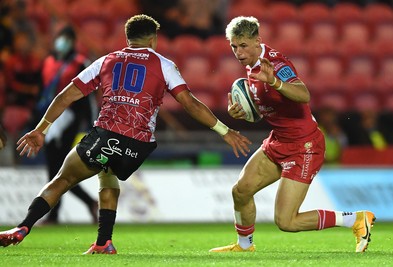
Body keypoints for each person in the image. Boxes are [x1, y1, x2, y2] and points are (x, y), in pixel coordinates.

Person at [0, 14, 251, 254]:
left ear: (127, 37)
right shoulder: (164, 64)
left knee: (61, 180)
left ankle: (23, 226)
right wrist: (224, 131)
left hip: (106, 135)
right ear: (153, 39)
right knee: (107, 173)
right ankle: (104, 242)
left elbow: (66, 95)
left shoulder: (106, 61)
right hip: (139, 146)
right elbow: (191, 103)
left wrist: (40, 129)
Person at [208, 16, 375, 253]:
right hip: (279, 141)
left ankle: (356, 219)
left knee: (286, 222)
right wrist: (241, 113)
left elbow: (303, 94)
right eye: (234, 46)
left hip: (304, 145)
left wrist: (275, 82)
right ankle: (245, 246)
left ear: (258, 41)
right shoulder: (251, 65)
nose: (238, 52)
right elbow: (269, 108)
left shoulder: (276, 64)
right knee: (241, 190)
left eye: (243, 45)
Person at [36, 25, 98, 224]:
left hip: (70, 119)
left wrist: (89, 122)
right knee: (54, 169)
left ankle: (55, 214)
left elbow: (88, 97)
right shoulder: (47, 62)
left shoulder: (80, 63)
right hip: (49, 118)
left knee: (57, 169)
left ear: (71, 42)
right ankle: (87, 202)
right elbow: (43, 91)